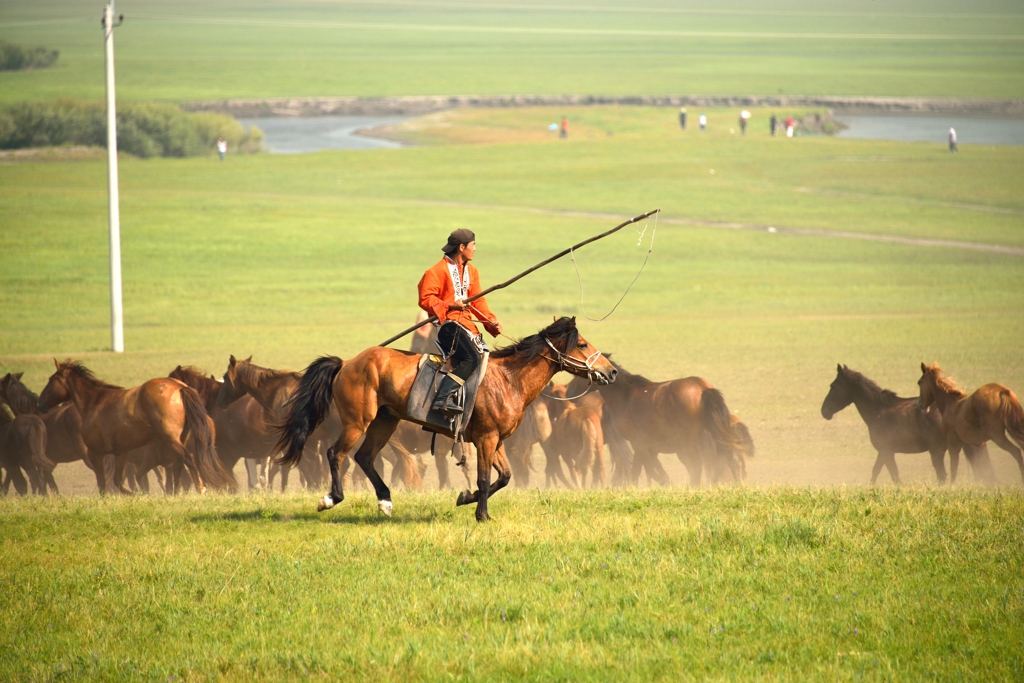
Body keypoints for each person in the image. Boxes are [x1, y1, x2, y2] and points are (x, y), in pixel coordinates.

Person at [418, 229, 502, 416]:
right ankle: (442, 400)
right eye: (473, 245)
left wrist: (490, 321)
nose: (475, 249)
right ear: (462, 247)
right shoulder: (435, 271)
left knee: (484, 360)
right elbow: (425, 299)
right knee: (471, 357)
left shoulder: (473, 271)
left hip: (468, 327)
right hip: (448, 326)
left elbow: (478, 301)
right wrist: (450, 306)